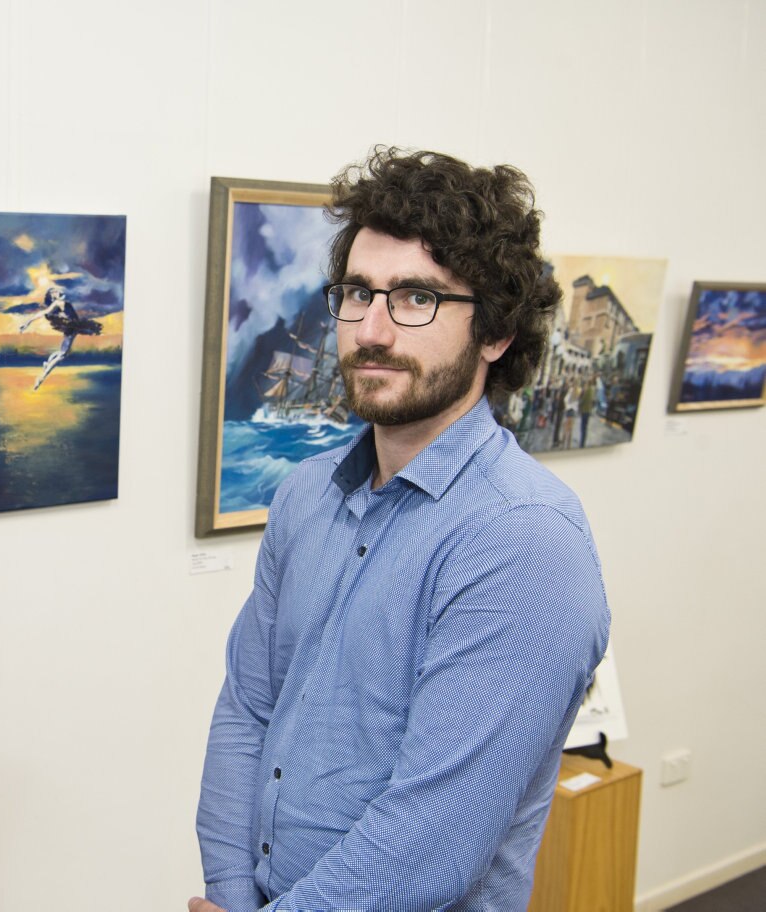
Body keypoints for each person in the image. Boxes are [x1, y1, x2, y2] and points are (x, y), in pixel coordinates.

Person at [192, 148, 609, 912]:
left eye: (416, 298)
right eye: (357, 293)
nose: (372, 330)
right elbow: (248, 710)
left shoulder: (524, 543)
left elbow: (431, 839)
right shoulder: (306, 497)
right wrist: (229, 891)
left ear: (496, 332)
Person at [17, 285, 102, 389]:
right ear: (53, 297)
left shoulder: (62, 302)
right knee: (62, 355)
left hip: (76, 326)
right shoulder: (57, 303)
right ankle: (41, 378)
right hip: (71, 327)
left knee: (63, 352)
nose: (57, 291)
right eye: (54, 292)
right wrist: (27, 323)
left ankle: (47, 363)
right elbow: (43, 312)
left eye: (57, 290)